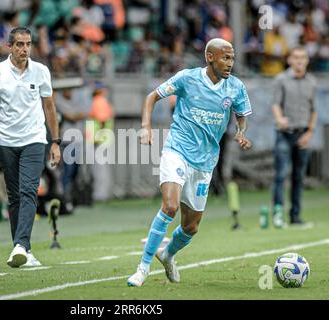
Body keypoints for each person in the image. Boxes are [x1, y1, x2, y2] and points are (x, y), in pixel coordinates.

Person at [127, 38, 252, 287]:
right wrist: (145, 127)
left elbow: (241, 113)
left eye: (232, 58)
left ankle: (168, 255)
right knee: (170, 206)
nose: (230, 63)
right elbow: (152, 96)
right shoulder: (187, 78)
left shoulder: (235, 87)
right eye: (225, 58)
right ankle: (142, 267)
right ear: (210, 57)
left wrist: (241, 131)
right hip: (177, 150)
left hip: (205, 163)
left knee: (191, 227)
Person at [0, 27, 61, 268]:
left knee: (29, 190)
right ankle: (24, 250)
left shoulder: (41, 71)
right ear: (10, 46)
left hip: (34, 139)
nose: (24, 49)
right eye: (19, 44)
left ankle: (19, 245)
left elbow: (49, 107)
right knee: (14, 196)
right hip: (5, 141)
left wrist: (55, 142)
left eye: (28, 44)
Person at [271, 47, 317, 225]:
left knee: (299, 177)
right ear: (289, 60)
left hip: (303, 135)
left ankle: (295, 216)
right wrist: (279, 118)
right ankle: (278, 216)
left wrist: (310, 132)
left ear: (307, 60)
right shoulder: (281, 79)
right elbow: (275, 104)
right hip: (284, 134)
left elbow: (314, 110)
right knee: (281, 176)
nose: (299, 61)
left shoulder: (311, 82)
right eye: (296, 57)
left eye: (302, 57)